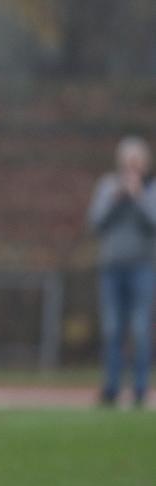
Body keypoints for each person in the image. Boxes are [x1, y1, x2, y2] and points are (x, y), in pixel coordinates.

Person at [88, 136, 156, 408]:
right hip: (111, 268)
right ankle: (111, 388)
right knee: (112, 329)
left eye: (136, 161)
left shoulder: (151, 189)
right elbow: (95, 222)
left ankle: (140, 389)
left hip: (142, 266)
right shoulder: (107, 186)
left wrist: (138, 196)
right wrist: (117, 198)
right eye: (127, 161)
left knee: (140, 329)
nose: (131, 166)